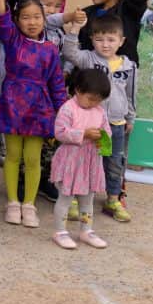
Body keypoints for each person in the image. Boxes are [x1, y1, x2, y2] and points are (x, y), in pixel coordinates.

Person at [0, 0, 67, 228]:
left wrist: (62, 112)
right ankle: (13, 202)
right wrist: (1, 3)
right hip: (13, 104)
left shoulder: (51, 49)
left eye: (36, 17)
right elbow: (3, 24)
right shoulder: (12, 39)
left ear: (44, 19)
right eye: (25, 17)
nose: (32, 22)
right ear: (17, 19)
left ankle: (29, 204)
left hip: (39, 109)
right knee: (12, 156)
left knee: (33, 159)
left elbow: (57, 84)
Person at [63, 13, 137, 223]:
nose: (105, 45)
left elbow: (131, 94)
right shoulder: (88, 58)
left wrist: (130, 117)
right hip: (89, 125)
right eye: (99, 39)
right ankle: (76, 199)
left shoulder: (128, 66)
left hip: (114, 124)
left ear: (121, 41)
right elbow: (69, 52)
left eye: (111, 39)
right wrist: (76, 28)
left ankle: (112, 199)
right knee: (84, 161)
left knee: (113, 162)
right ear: (92, 39)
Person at [50, 68, 111, 249]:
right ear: (78, 90)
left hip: (90, 162)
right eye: (91, 99)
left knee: (87, 199)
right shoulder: (68, 108)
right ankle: (60, 231)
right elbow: (60, 133)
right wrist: (83, 134)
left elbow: (107, 131)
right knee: (65, 198)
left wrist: (102, 137)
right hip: (70, 161)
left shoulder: (99, 111)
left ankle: (86, 230)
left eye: (98, 100)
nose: (94, 103)